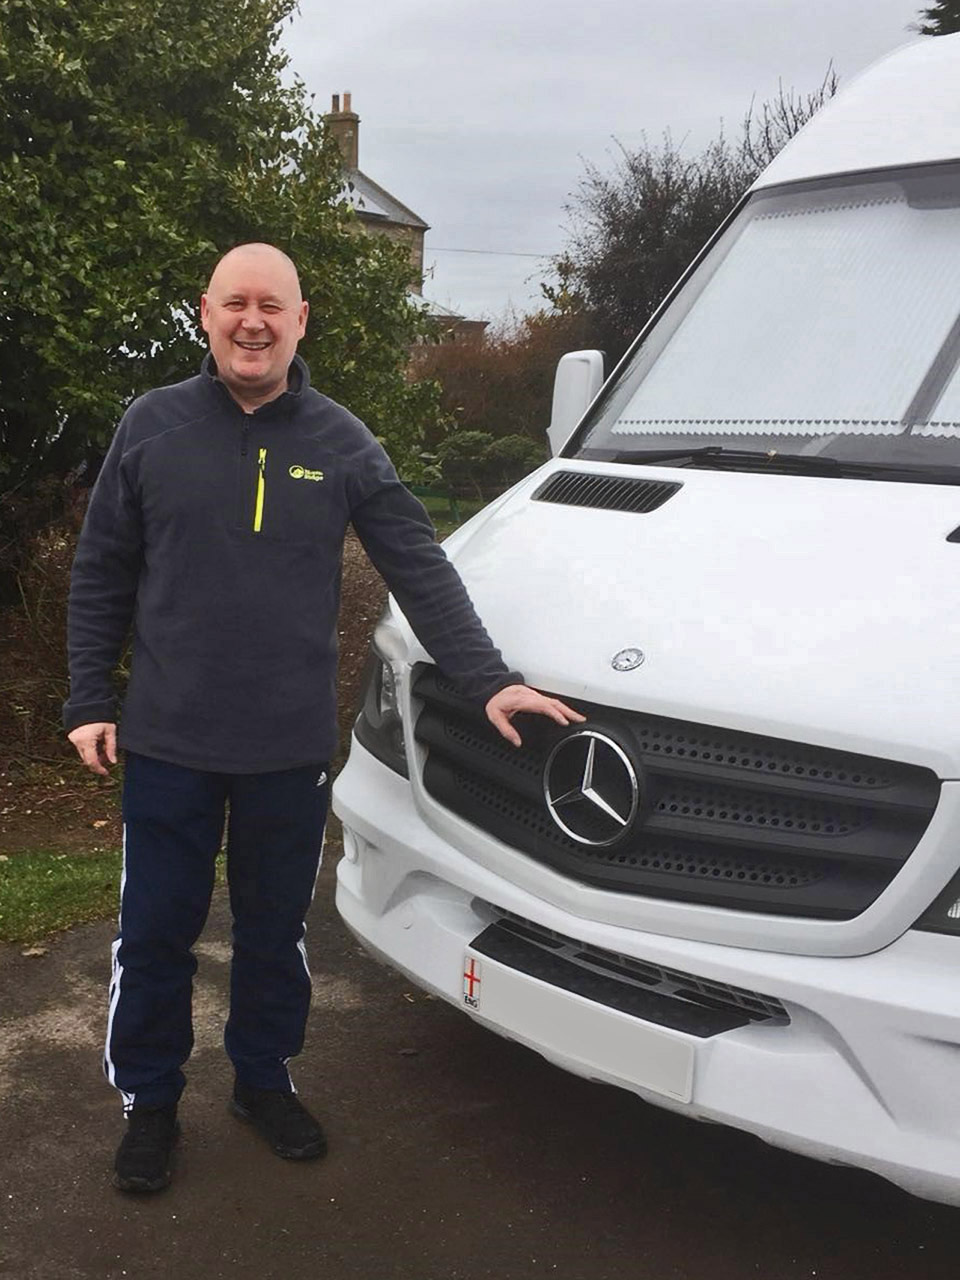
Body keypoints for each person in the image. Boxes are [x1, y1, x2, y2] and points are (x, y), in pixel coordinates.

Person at [64, 243, 584, 1193]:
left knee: (272, 932)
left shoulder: (342, 441)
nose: (252, 322)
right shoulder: (152, 426)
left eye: (273, 306)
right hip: (168, 740)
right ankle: (150, 1101)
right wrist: (89, 698)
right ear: (206, 314)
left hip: (287, 748)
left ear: (301, 321)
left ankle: (262, 1081)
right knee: (154, 932)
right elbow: (102, 570)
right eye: (235, 304)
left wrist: (487, 679)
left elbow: (417, 565)